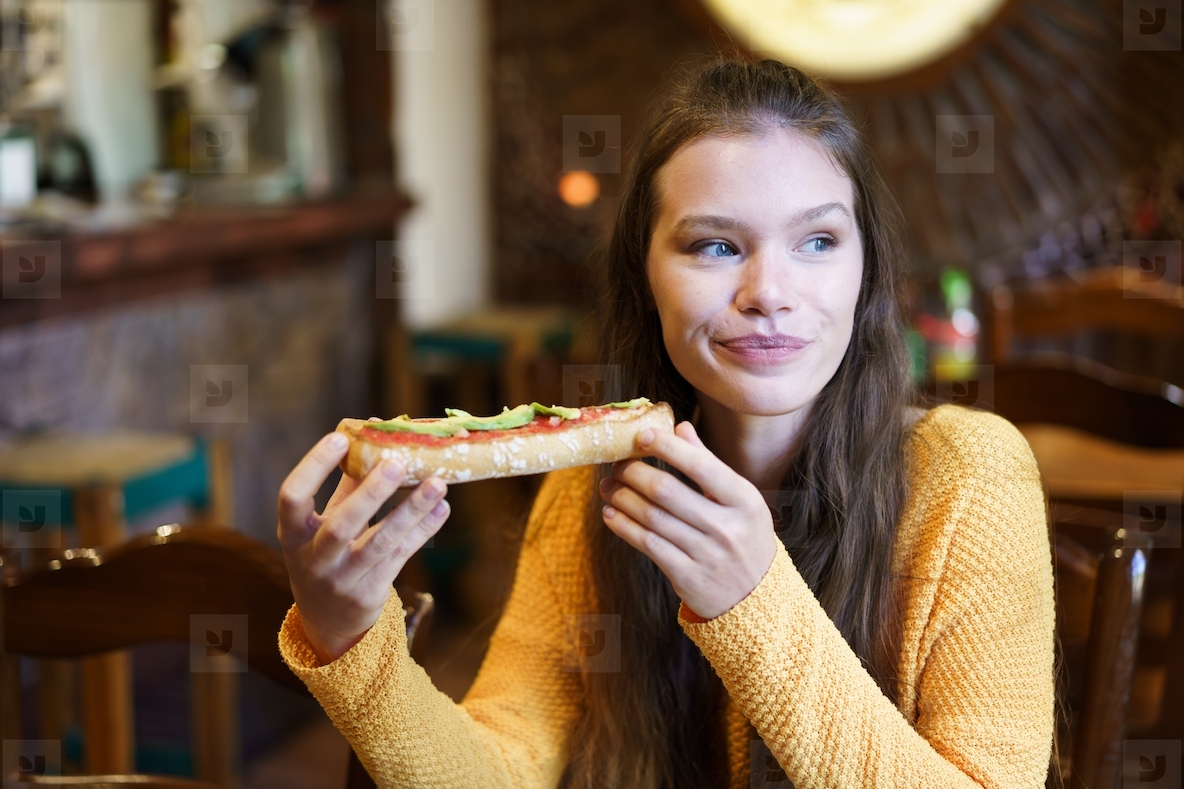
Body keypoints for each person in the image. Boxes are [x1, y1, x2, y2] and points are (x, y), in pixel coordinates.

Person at [276, 57, 1055, 788]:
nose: (770, 292)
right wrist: (347, 631)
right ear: (644, 279)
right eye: (715, 245)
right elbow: (498, 768)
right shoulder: (593, 496)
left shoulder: (974, 477)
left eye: (817, 240)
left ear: (866, 267)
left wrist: (751, 599)